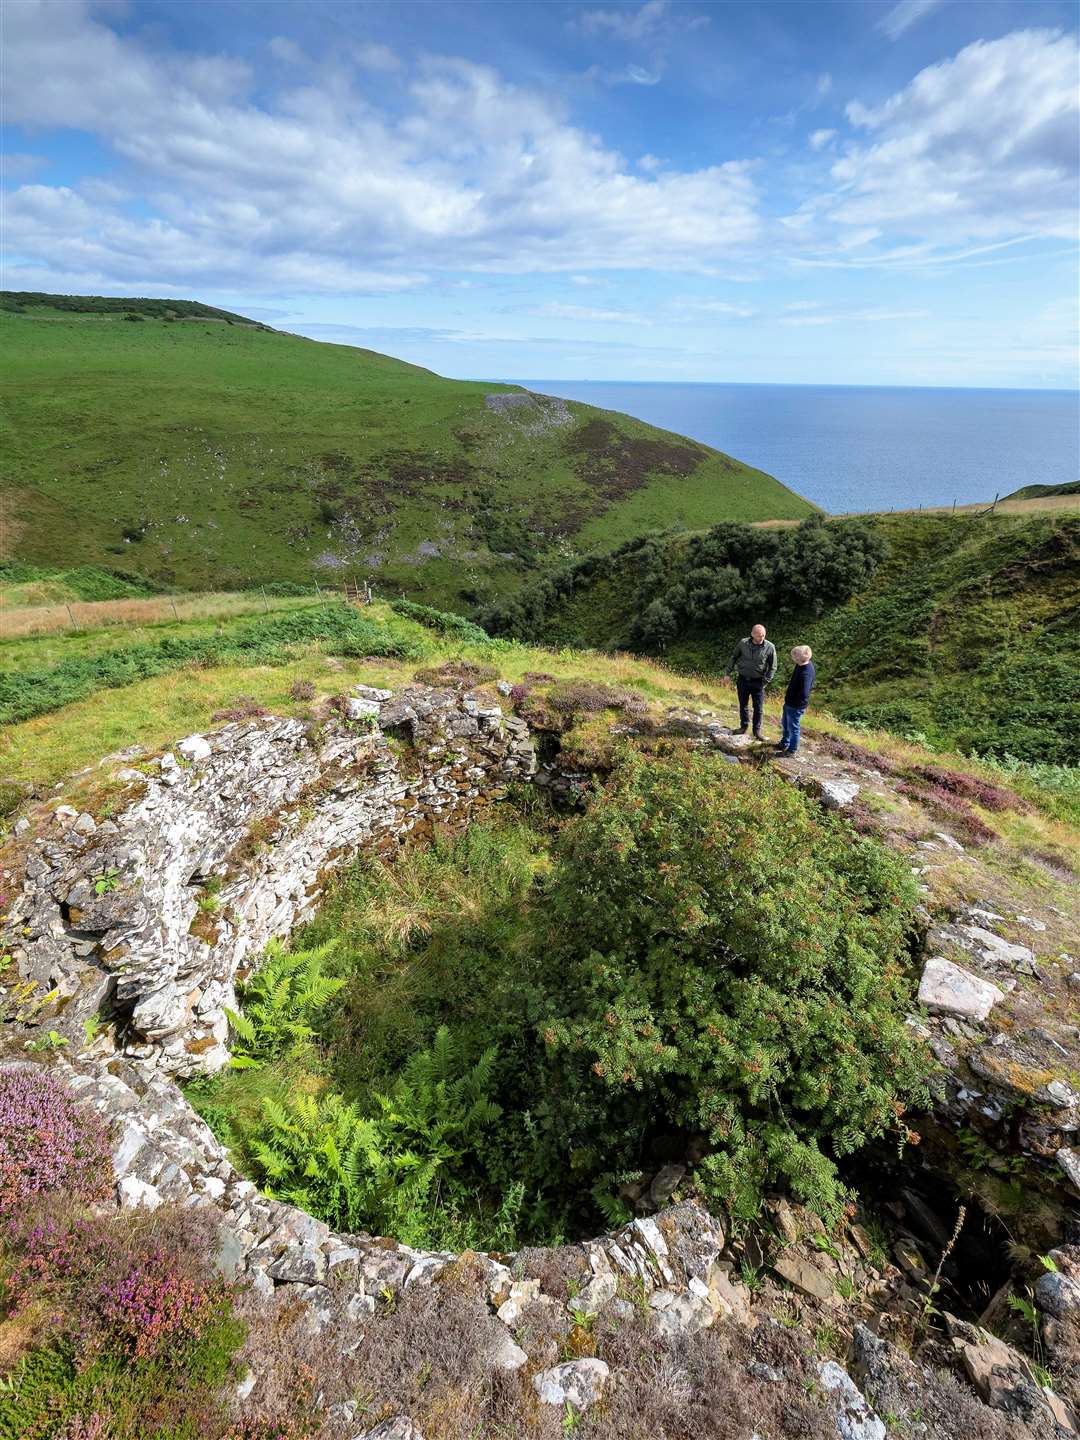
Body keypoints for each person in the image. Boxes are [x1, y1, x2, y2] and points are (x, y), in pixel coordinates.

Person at [729, 623, 777, 739]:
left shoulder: (770, 647)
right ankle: (743, 727)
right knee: (743, 705)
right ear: (752, 634)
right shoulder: (743, 643)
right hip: (743, 680)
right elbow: (734, 657)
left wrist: (765, 682)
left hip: (758, 682)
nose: (761, 638)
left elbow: (773, 666)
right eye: (759, 636)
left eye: (763, 636)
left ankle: (757, 732)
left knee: (758, 708)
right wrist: (727, 673)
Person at [778, 644, 815, 755]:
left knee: (793, 727)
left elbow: (804, 693)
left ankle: (792, 750)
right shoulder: (800, 664)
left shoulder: (806, 673)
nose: (792, 658)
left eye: (794, 656)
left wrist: (793, 699)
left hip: (795, 705)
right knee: (785, 723)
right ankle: (784, 742)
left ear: (800, 658)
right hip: (789, 702)